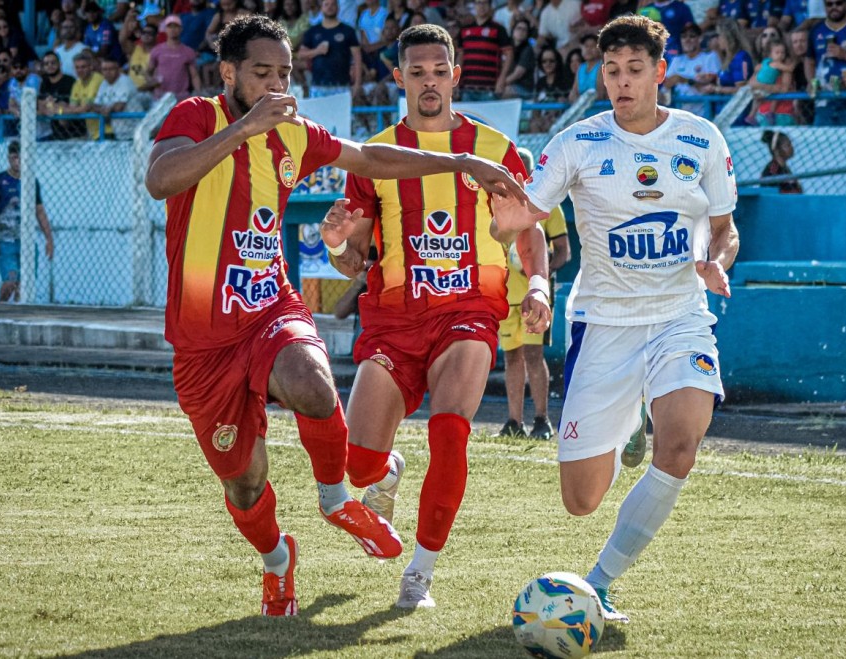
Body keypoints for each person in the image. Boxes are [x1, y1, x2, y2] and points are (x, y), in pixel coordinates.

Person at [142, 14, 529, 618]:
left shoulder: (295, 131)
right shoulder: (197, 115)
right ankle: (277, 561)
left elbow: (371, 158)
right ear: (228, 73)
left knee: (313, 384)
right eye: (261, 73)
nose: (276, 86)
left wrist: (458, 165)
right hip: (202, 340)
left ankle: (336, 500)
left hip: (271, 306)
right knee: (244, 484)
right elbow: (161, 179)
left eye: (285, 74)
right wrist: (244, 128)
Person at [492, 14, 739, 623]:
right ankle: (628, 421)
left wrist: (714, 261)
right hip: (603, 324)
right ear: (600, 75)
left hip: (680, 314)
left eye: (634, 70)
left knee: (681, 443)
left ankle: (599, 583)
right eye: (612, 71)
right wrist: (500, 213)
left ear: (661, 72)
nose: (622, 82)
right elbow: (518, 218)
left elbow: (725, 227)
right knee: (581, 500)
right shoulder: (578, 142)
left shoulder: (703, 138)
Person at [316, 23, 550, 609]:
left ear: (455, 74)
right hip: (393, 322)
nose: (429, 82)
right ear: (398, 77)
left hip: (468, 313)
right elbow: (354, 263)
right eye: (416, 72)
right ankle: (386, 472)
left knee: (450, 434)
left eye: (439, 71)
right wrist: (338, 245)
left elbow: (529, 232)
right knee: (357, 463)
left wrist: (540, 284)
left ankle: (419, 573)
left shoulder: (495, 149)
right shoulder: (374, 155)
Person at [499, 146, 570, 440]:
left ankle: (542, 419)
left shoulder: (547, 204)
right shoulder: (497, 203)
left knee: (532, 353)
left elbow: (564, 251)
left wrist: (539, 275)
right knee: (511, 356)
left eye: (521, 171)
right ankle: (514, 421)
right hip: (504, 294)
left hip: (533, 294)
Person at [0, 141, 56, 303]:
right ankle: (0, 308)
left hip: (26, 242)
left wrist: (49, 239)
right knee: (10, 282)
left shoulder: (31, 181)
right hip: (5, 240)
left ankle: (17, 317)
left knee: (24, 286)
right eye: (14, 157)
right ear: (9, 158)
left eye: (21, 157)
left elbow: (39, 211)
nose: (18, 161)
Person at [806, 0, 846, 126]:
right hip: (824, 99)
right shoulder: (816, 30)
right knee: (822, 142)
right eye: (829, 4)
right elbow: (809, 60)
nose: (834, 7)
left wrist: (844, 55)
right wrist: (811, 81)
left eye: (838, 3)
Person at [297, 0, 362, 98]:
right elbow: (301, 54)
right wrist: (317, 51)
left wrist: (357, 84)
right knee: (317, 114)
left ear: (338, 7)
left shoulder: (348, 31)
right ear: (321, 8)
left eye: (333, 4)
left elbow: (357, 58)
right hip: (318, 86)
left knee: (340, 113)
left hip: (342, 85)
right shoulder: (313, 31)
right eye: (326, 4)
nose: (330, 7)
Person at [457, 0, 513, 101]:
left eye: (484, 3)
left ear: (490, 6)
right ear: (474, 6)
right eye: (478, 3)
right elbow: (460, 57)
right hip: (467, 87)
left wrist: (502, 79)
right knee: (467, 117)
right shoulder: (464, 30)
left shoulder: (499, 29)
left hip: (490, 88)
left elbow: (509, 55)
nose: (481, 6)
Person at [663, 22, 720, 115]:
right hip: (680, 113)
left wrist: (683, 79)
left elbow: (715, 83)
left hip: (704, 113)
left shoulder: (710, 57)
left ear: (700, 39)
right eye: (684, 37)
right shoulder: (677, 60)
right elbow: (666, 83)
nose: (687, 40)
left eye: (692, 36)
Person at [149, 15, 203, 101]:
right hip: (160, 97)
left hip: (181, 97)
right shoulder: (157, 50)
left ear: (181, 29)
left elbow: (195, 76)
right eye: (170, 26)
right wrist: (152, 81)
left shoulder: (188, 51)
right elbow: (148, 71)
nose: (173, 29)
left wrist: (199, 93)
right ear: (165, 29)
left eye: (176, 26)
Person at [68, 51, 106, 139]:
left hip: (106, 131)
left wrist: (61, 110)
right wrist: (71, 109)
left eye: (83, 67)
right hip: (93, 133)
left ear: (91, 67)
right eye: (77, 67)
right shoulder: (77, 83)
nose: (80, 70)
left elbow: (87, 107)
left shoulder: (97, 79)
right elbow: (72, 107)